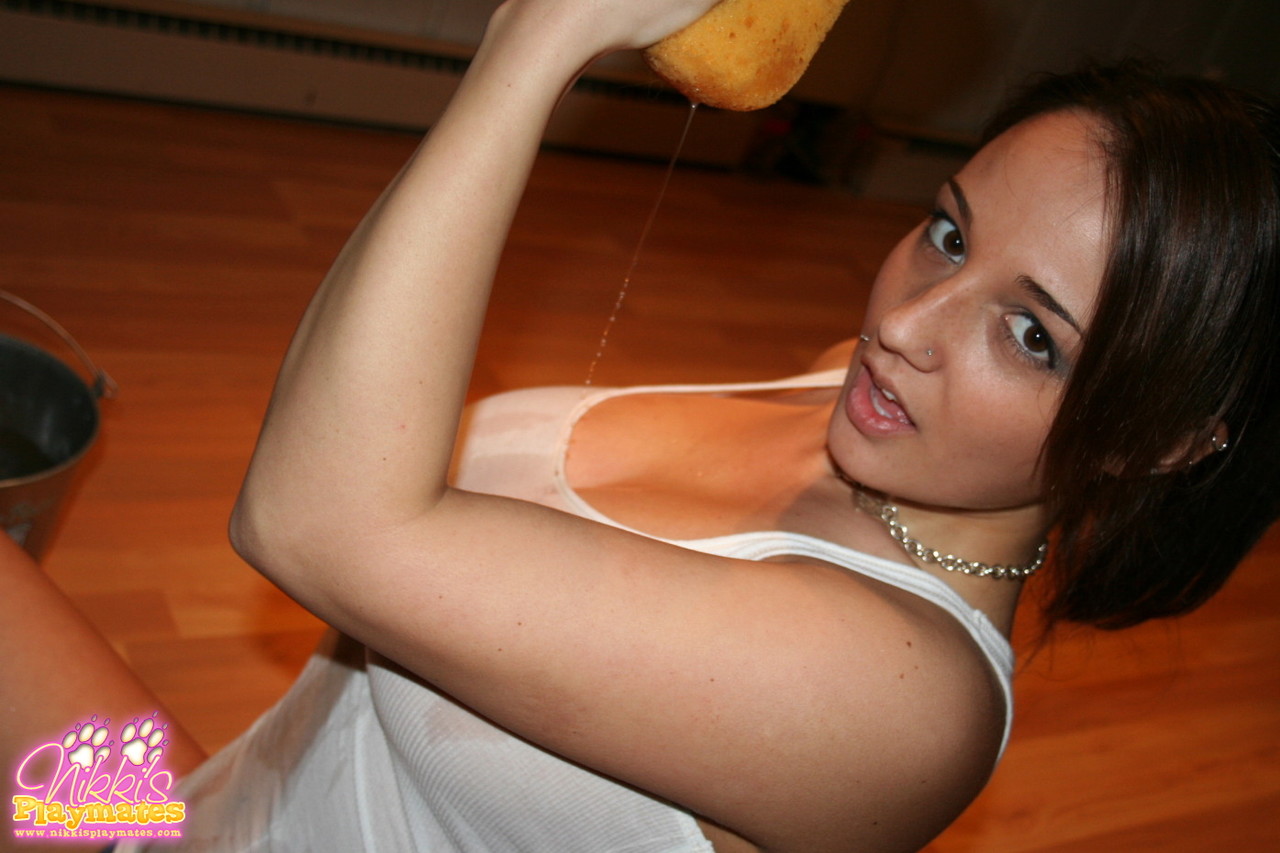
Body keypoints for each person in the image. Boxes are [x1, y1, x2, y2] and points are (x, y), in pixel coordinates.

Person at [4, 0, 1277, 850]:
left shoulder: (899, 709)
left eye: (1032, 335)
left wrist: (539, 37)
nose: (903, 321)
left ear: (1162, 438)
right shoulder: (861, 398)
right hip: (180, 816)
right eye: (947, 232)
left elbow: (310, 522)